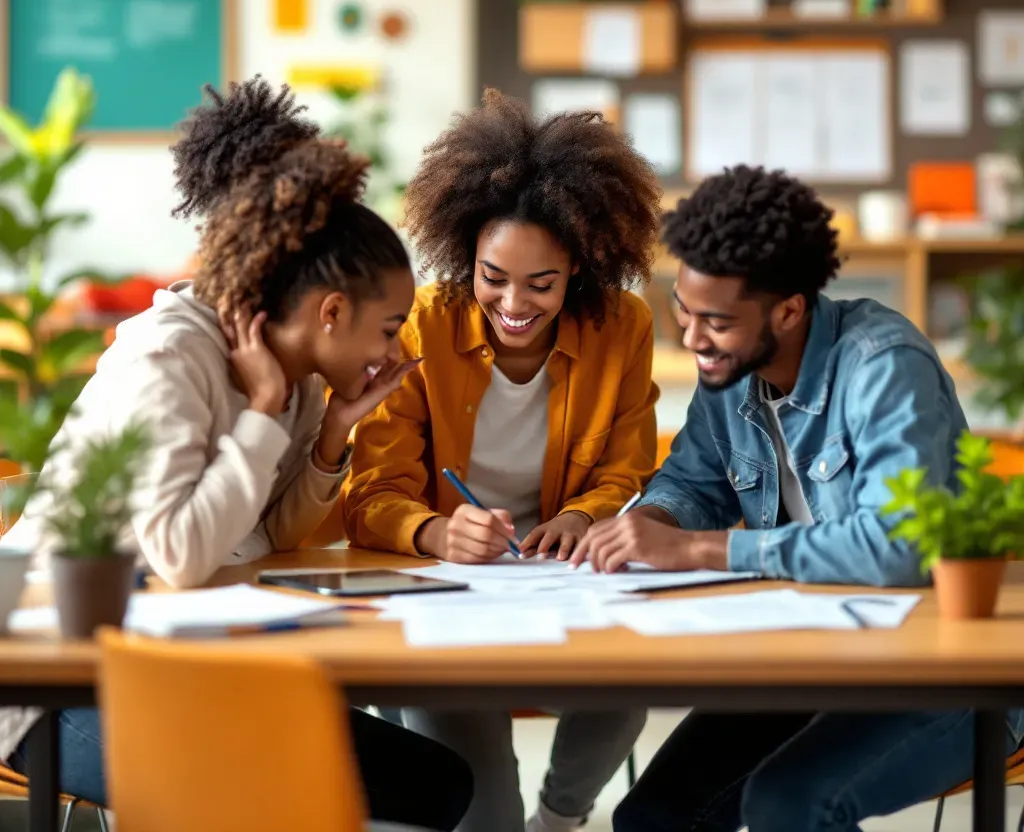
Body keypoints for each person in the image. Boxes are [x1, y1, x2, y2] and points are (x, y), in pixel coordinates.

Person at [0, 78, 472, 832]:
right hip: (65, 682)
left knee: (437, 783)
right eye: (388, 330)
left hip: (186, 650)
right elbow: (181, 553)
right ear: (330, 311)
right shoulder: (170, 354)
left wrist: (331, 434)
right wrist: (257, 417)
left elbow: (274, 537)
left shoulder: (303, 374)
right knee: (291, 795)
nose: (393, 351)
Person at [566, 165, 1024, 832]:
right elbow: (693, 479)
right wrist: (650, 522)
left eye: (716, 322)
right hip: (808, 660)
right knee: (653, 816)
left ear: (788, 309)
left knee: (789, 806)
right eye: (683, 312)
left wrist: (696, 547)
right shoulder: (728, 370)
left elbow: (897, 548)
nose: (693, 340)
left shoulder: (885, 365)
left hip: (936, 675)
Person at [337, 89, 661, 832]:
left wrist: (583, 516)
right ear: (466, 255)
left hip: (566, 587)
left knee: (624, 694)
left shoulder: (623, 325)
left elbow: (629, 469)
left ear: (578, 267)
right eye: (493, 277)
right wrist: (434, 533)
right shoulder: (420, 325)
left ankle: (562, 818)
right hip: (446, 598)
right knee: (487, 818)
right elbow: (372, 490)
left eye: (541, 284)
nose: (513, 304)